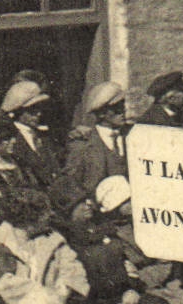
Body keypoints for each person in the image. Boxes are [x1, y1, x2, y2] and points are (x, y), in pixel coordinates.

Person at [54, 81, 130, 220]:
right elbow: (69, 182)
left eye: (123, 105)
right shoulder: (83, 145)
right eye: (116, 108)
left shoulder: (131, 137)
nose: (123, 111)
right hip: (100, 218)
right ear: (101, 114)